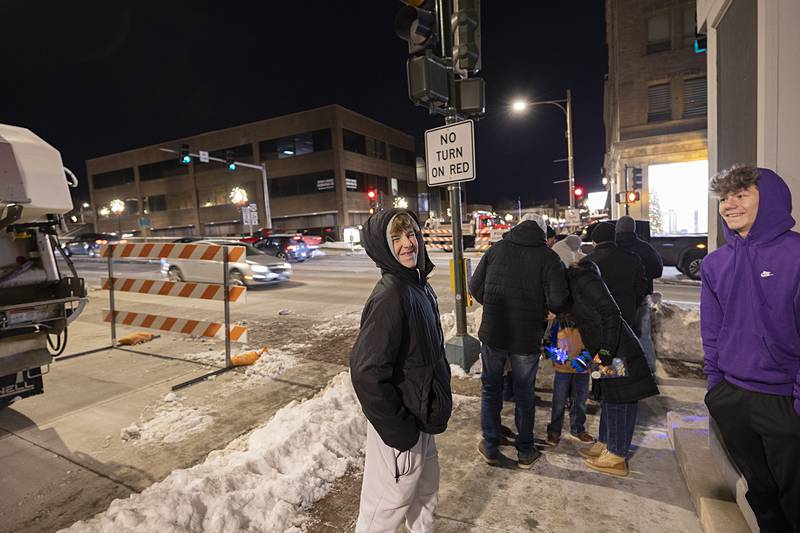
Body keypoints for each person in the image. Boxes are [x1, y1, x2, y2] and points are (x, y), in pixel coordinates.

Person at [701, 164, 800, 533]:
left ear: (768, 199)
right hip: (733, 397)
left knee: (795, 498)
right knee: (760, 493)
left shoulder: (796, 255)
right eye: (724, 198)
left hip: (783, 399)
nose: (729, 205)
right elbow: (711, 331)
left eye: (741, 195)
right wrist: (716, 388)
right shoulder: (715, 263)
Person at [350, 209, 453, 533]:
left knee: (424, 499)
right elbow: (366, 373)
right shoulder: (392, 295)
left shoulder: (418, 287)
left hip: (421, 418)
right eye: (396, 238)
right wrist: (399, 432)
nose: (408, 243)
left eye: (410, 234)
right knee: (384, 512)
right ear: (383, 248)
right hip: (401, 430)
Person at [470, 215, 570, 468]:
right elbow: (559, 300)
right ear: (542, 232)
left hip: (494, 333)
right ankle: (525, 451)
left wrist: (493, 306)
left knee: (491, 388)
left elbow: (474, 286)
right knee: (524, 392)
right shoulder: (548, 257)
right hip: (525, 337)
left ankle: (491, 445)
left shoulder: (497, 249)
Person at [568, 260, 659, 476]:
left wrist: (606, 353)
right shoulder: (580, 285)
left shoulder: (584, 279)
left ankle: (616, 456)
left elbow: (611, 314)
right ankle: (607, 444)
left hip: (618, 353)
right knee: (609, 398)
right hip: (610, 352)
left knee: (620, 400)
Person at [615, 216, 663, 372]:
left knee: (616, 338)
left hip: (616, 299)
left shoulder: (613, 247)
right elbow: (658, 270)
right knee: (643, 336)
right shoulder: (645, 248)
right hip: (641, 298)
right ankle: (648, 372)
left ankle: (618, 375)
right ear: (633, 229)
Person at [584, 221, 647, 331]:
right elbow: (641, 287)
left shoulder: (587, 262)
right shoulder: (632, 258)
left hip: (598, 316)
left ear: (594, 240)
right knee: (626, 344)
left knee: (604, 346)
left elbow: (582, 292)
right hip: (626, 313)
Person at [545, 316, 594, 446]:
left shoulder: (588, 318)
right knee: (559, 402)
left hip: (582, 369)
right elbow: (549, 342)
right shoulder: (557, 322)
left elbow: (593, 341)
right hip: (562, 369)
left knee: (580, 401)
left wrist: (583, 359)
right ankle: (554, 431)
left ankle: (578, 429)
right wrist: (564, 359)